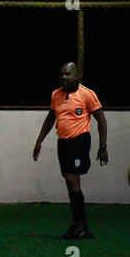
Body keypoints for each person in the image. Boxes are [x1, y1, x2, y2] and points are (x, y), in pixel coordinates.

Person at [33, 62, 108, 239]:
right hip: (64, 142)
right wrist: (39, 141)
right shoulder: (56, 94)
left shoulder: (87, 94)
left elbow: (101, 121)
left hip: (79, 141)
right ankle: (81, 226)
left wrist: (103, 146)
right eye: (62, 74)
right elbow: (51, 118)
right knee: (71, 183)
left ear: (77, 76)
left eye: (67, 74)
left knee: (72, 179)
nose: (64, 77)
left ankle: (78, 224)